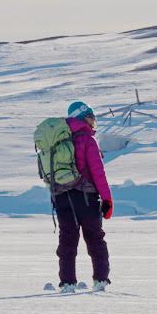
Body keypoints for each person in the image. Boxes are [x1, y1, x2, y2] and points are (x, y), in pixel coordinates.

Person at [54, 101, 113, 293]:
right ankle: (101, 280)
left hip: (61, 197)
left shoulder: (57, 140)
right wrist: (107, 199)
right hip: (86, 197)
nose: (93, 122)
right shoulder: (88, 140)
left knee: (67, 240)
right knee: (95, 238)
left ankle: (67, 283)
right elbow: (98, 173)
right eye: (91, 117)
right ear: (83, 118)